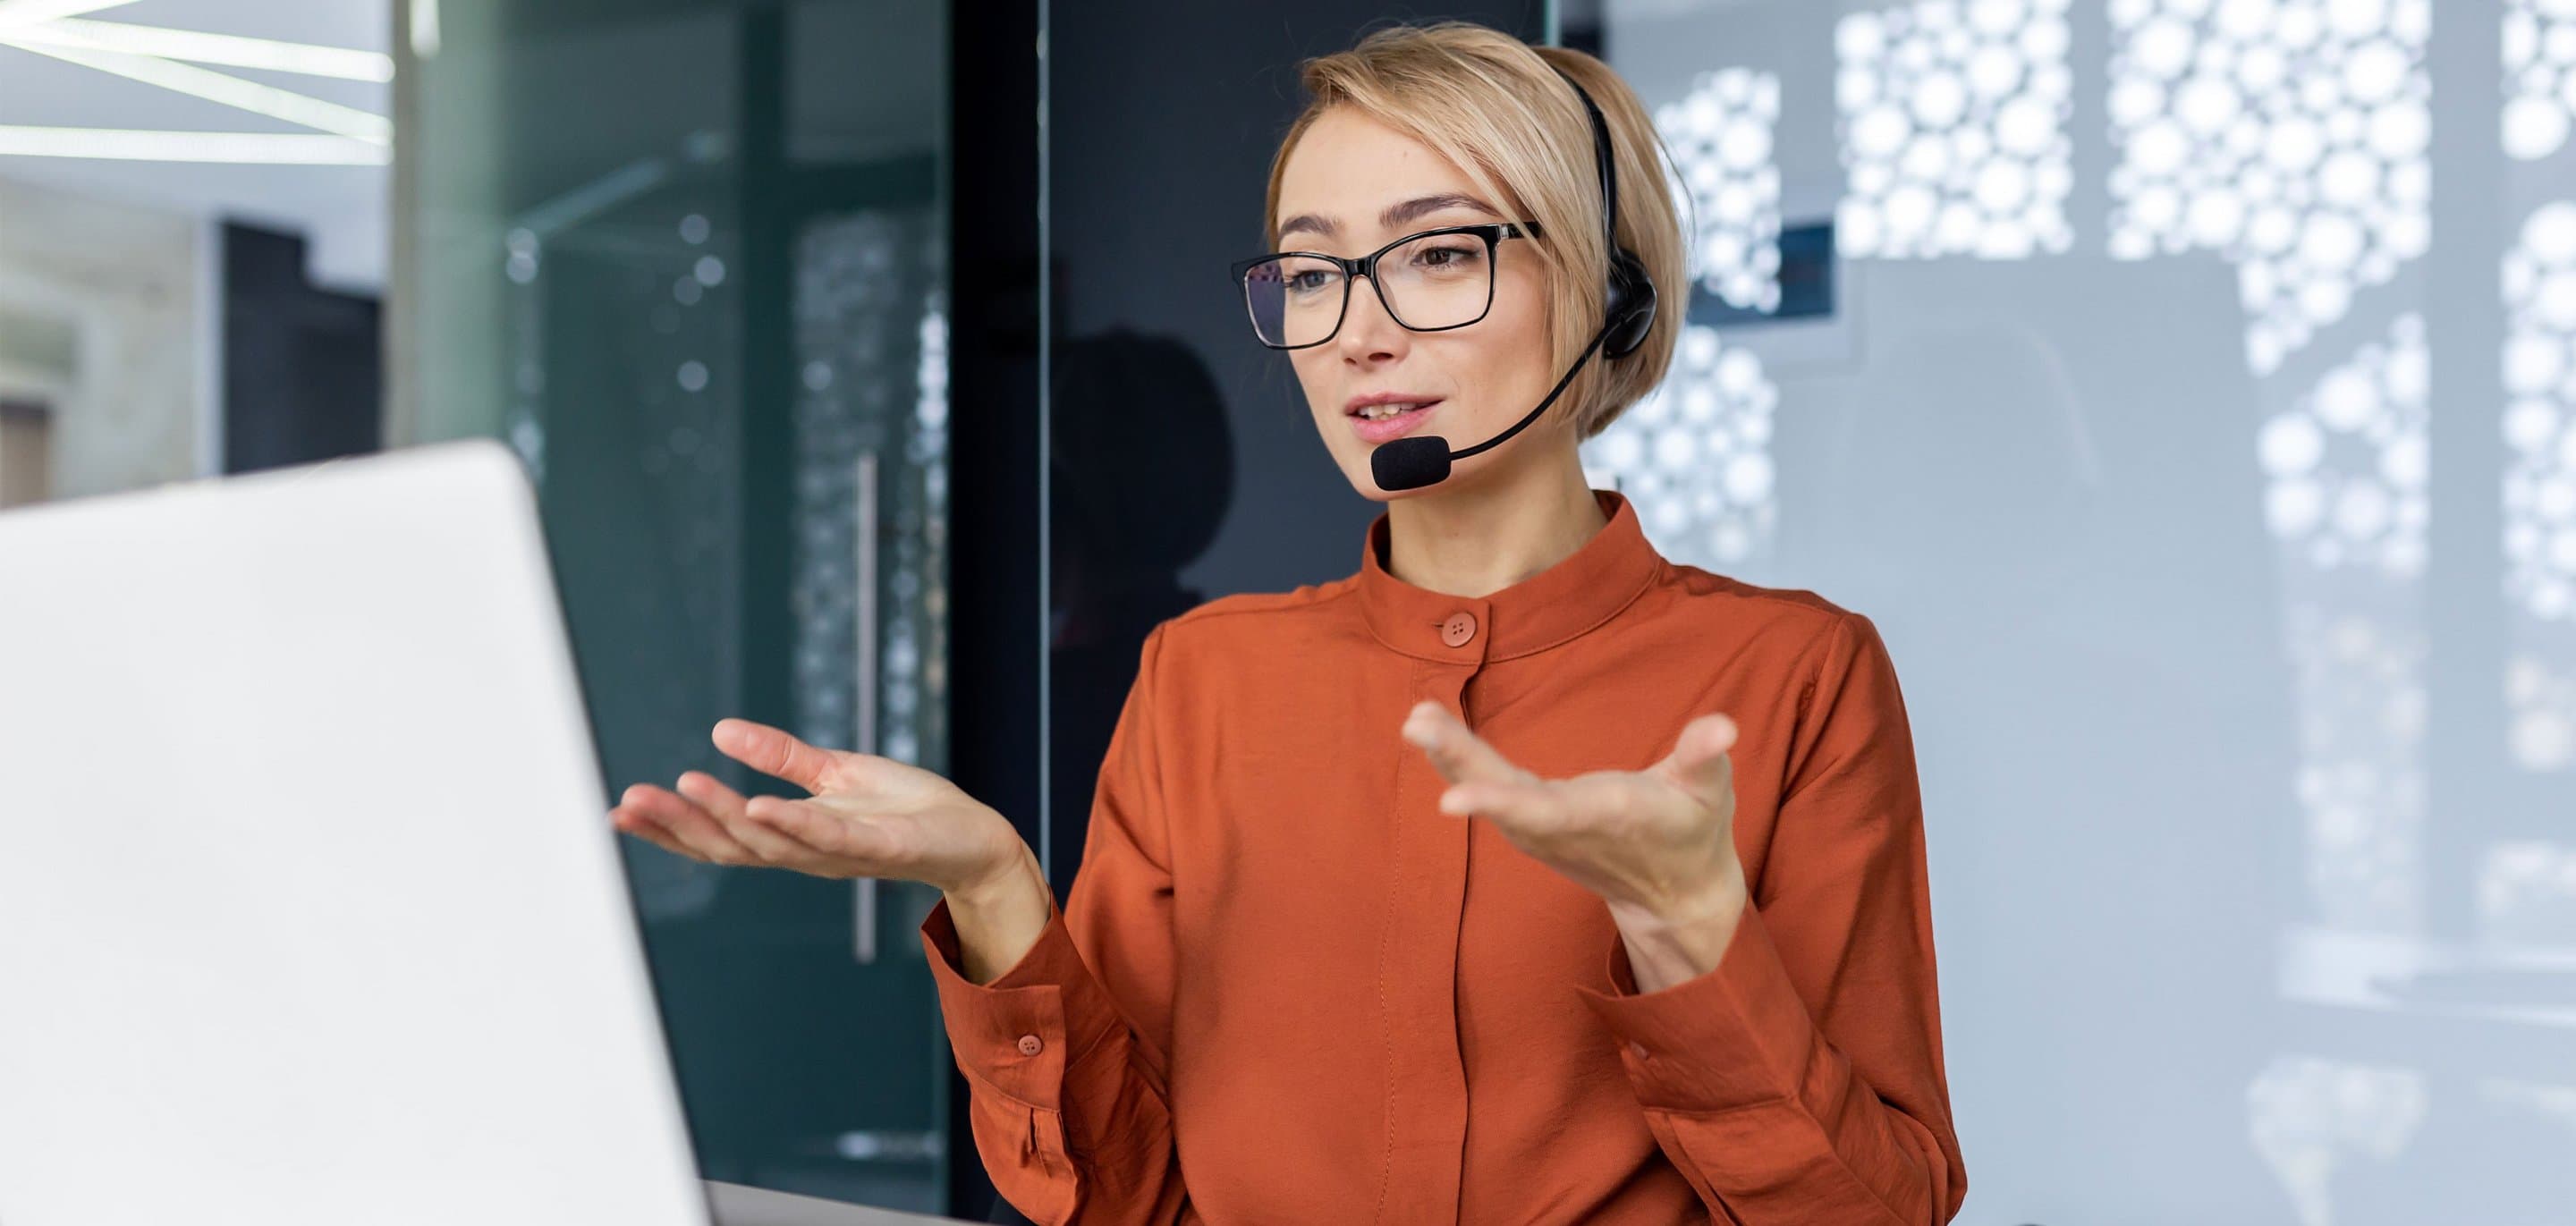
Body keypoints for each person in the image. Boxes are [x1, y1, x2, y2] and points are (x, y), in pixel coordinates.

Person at [611, 21, 1967, 1225]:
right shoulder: (1204, 678)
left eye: (1440, 254)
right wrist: (994, 888)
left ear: (1607, 295)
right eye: (1313, 275)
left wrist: (1688, 929)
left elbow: (1873, 1211)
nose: (1359, 333)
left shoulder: (1794, 676)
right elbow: (1119, 1195)